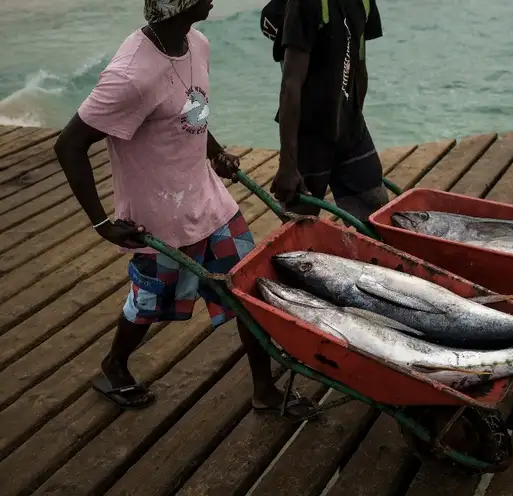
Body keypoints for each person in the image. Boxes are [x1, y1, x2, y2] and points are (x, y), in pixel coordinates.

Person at [54, 0, 317, 419]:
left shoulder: (197, 43)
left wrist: (215, 152)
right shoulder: (130, 76)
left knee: (250, 289)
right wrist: (102, 223)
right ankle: (114, 365)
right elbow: (69, 146)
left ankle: (265, 390)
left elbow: (188, 111)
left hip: (210, 201)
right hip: (158, 218)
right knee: (148, 302)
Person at [261, 0, 389, 220]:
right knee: (300, 223)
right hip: (310, 139)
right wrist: (288, 164)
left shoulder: (364, 2)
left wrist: (353, 119)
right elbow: (290, 86)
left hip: (351, 130)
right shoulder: (305, 4)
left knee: (375, 211)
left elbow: (359, 65)